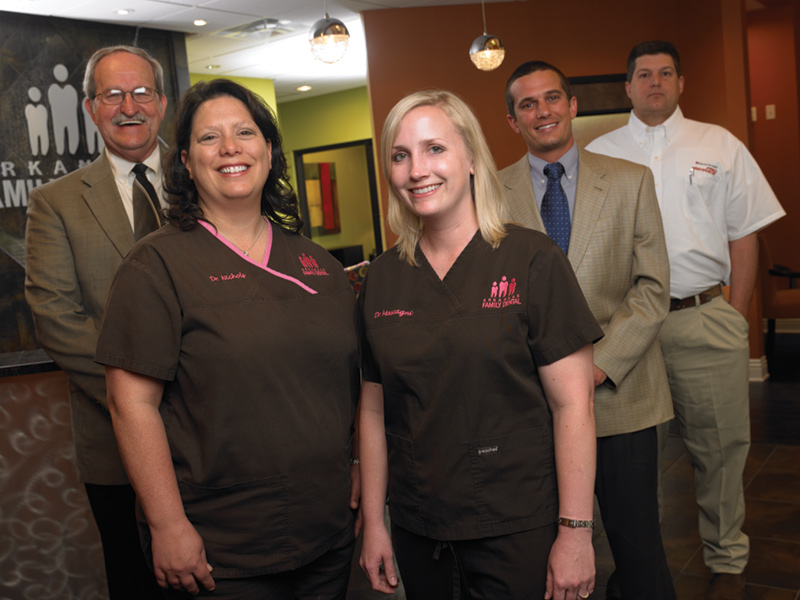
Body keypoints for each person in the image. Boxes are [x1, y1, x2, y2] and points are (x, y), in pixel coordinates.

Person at [93, 79, 361, 598]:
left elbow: (350, 388)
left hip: (325, 534)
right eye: (210, 138)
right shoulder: (155, 267)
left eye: (244, 132)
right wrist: (168, 526)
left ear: (267, 150)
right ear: (187, 163)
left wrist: (354, 466)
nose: (231, 147)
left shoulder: (320, 266)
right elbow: (131, 405)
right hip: (221, 549)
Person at [358, 89, 603, 600]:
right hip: (419, 524)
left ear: (471, 157)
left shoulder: (533, 261)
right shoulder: (380, 279)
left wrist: (576, 533)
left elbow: (573, 405)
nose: (417, 169)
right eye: (400, 156)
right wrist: (377, 523)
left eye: (435, 149)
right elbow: (375, 410)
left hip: (518, 523)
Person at [586, 41, 785, 599]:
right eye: (643, 75)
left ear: (680, 83)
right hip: (626, 331)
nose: (655, 82)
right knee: (628, 462)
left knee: (719, 451)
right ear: (626, 87)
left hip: (702, 318)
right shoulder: (600, 153)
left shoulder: (718, 144)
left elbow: (745, 231)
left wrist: (733, 316)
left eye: (665, 73)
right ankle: (639, 572)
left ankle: (727, 560)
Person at [500, 60, 676, 600]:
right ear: (513, 121)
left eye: (552, 98)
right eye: (527, 104)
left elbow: (651, 289)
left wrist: (596, 366)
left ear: (572, 107)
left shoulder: (630, 181)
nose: (542, 111)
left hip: (623, 395)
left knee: (637, 544)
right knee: (547, 549)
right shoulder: (488, 193)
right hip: (533, 404)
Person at [24, 45, 168, 599]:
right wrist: (143, 391)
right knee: (138, 582)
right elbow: (57, 317)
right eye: (112, 94)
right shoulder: (55, 203)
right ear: (89, 108)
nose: (128, 107)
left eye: (141, 93)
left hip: (221, 431)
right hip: (113, 442)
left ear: (161, 102)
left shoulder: (205, 180)